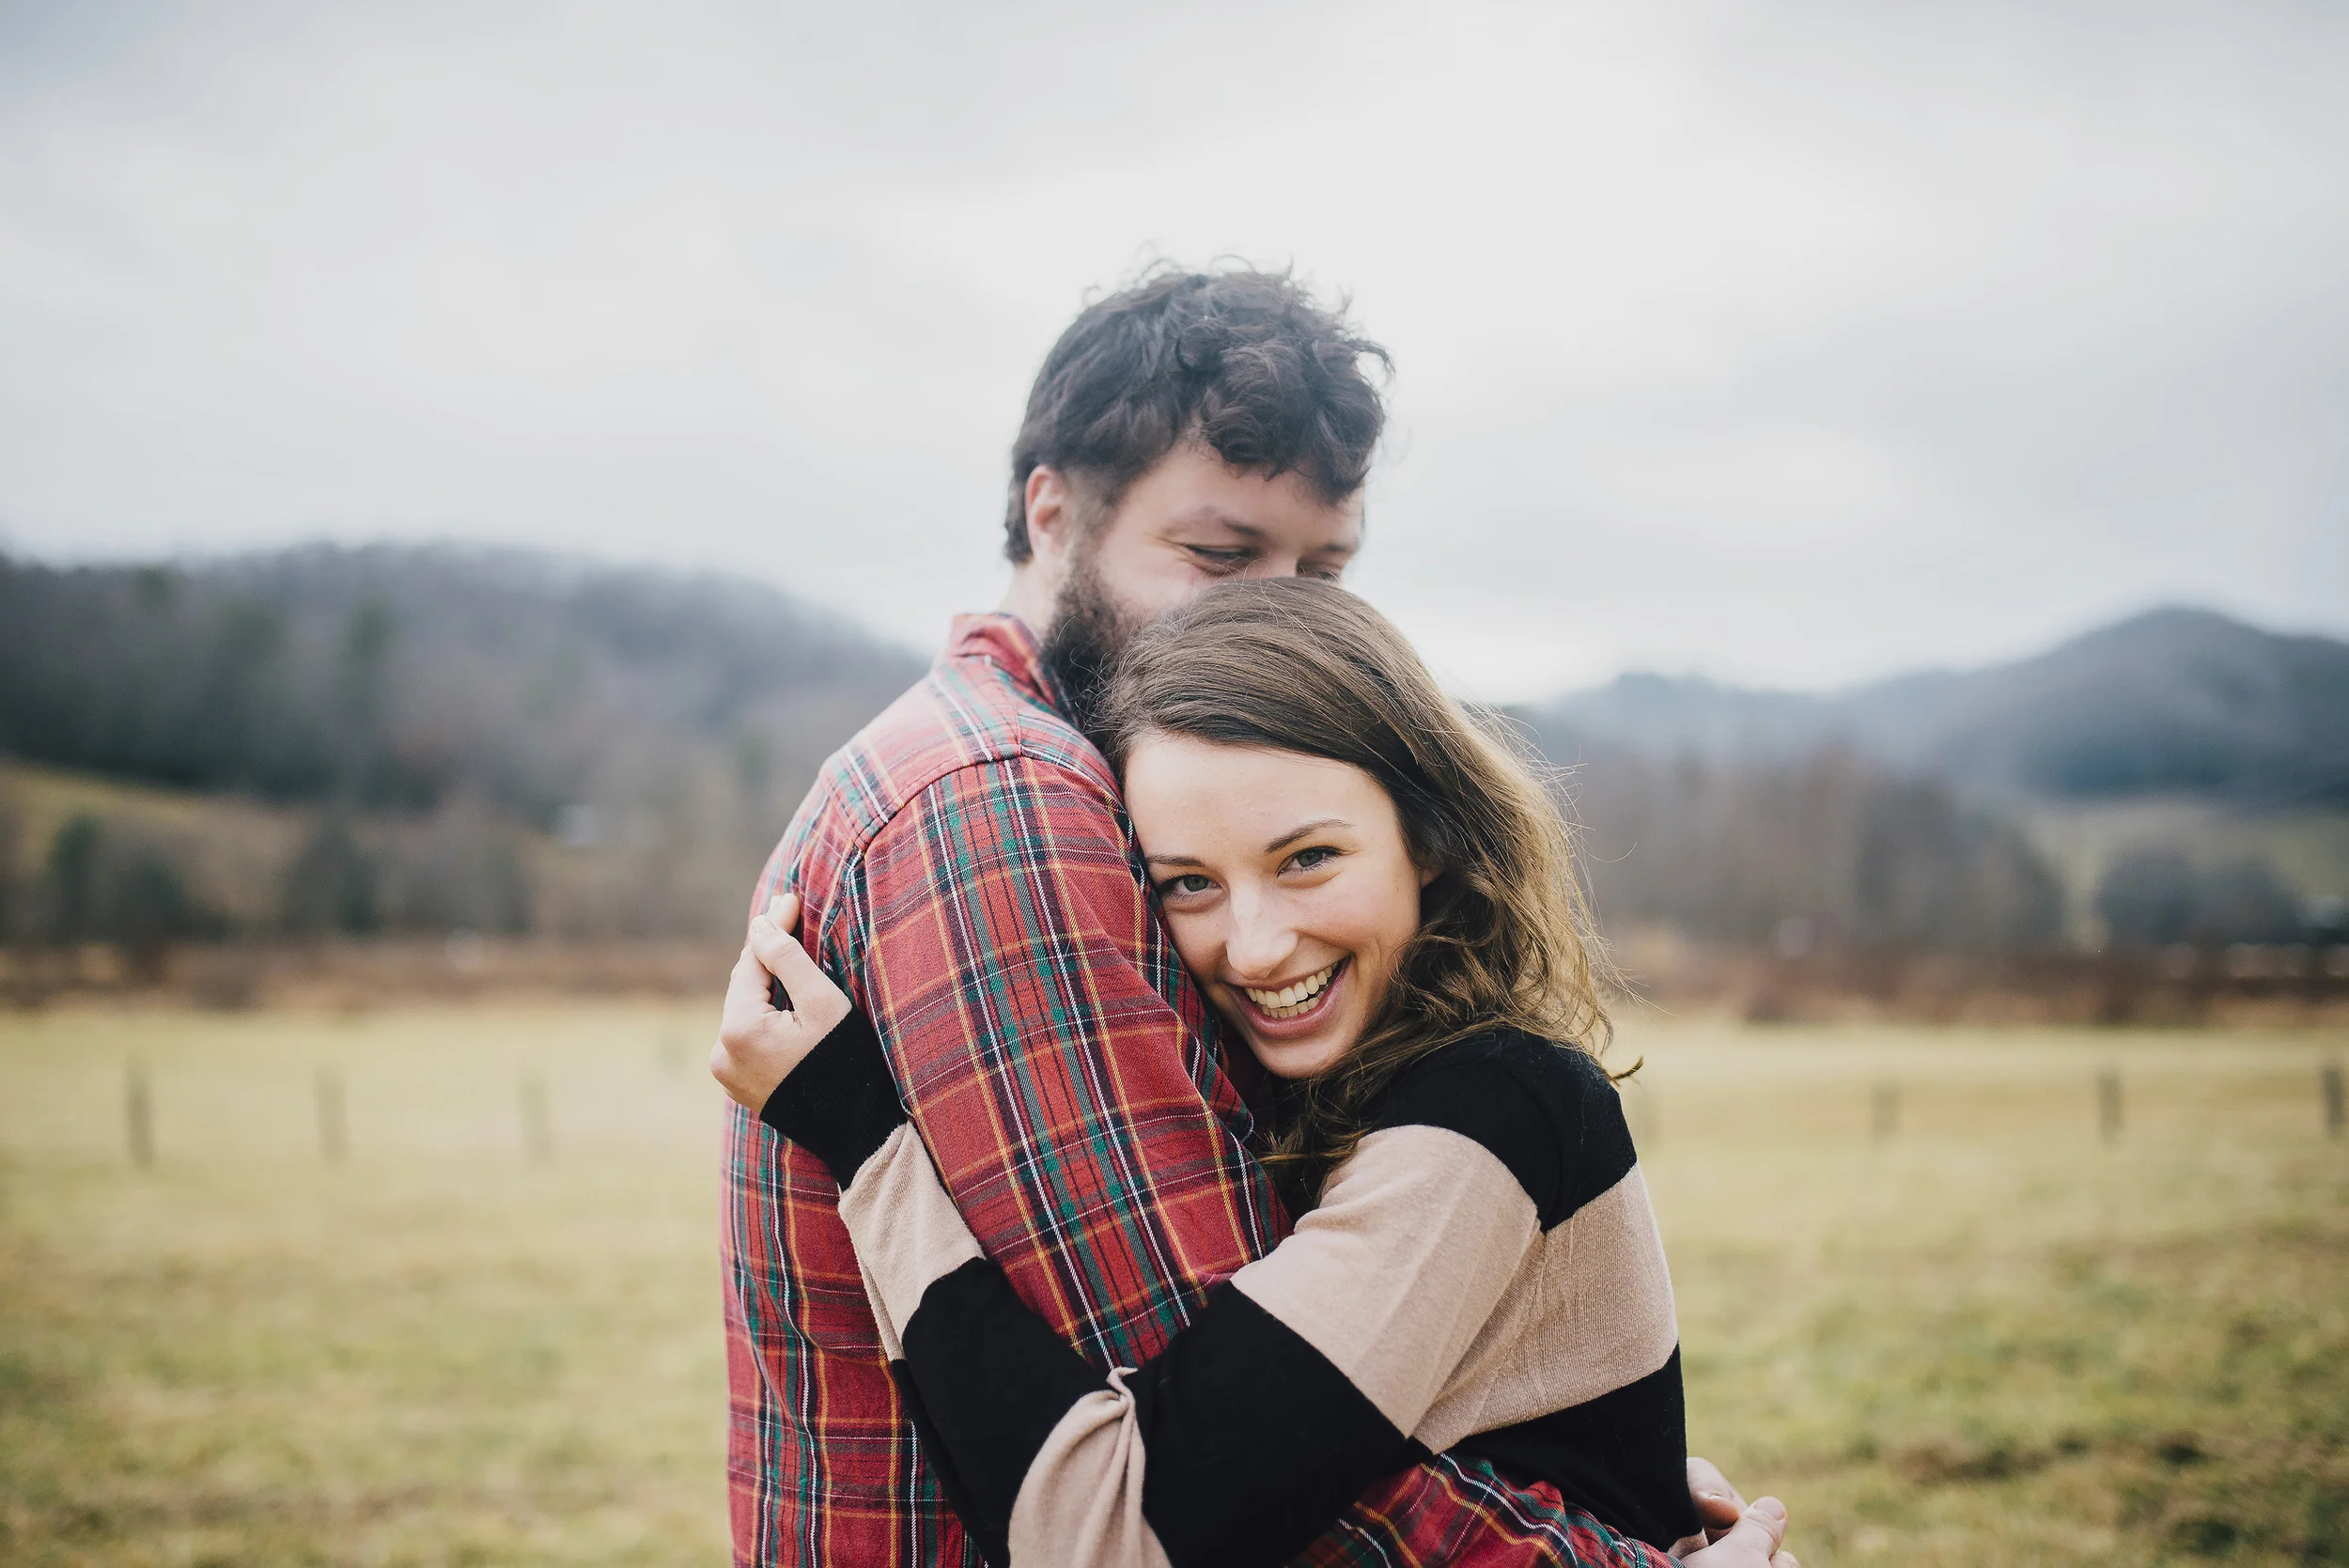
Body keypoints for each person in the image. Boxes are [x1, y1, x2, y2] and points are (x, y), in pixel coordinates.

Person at [715, 267, 1781, 1564]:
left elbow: (1245, 1461)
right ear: (1052, 514)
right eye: (1220, 556)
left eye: (1324, 569)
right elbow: (1177, 1511)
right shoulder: (1008, 808)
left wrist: (1594, 1468)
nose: (1277, 610)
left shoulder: (1465, 1083)